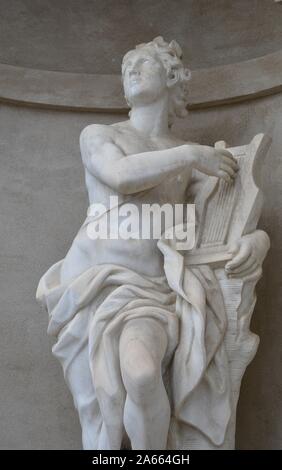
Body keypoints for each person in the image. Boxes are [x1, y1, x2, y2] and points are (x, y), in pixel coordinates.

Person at [37, 37, 269, 450]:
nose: (130, 68)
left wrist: (259, 241)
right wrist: (190, 155)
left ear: (173, 78)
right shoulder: (100, 136)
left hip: (150, 293)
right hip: (91, 289)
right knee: (105, 403)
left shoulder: (190, 162)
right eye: (127, 65)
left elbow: (223, 219)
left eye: (143, 62)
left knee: (142, 375)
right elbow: (121, 175)